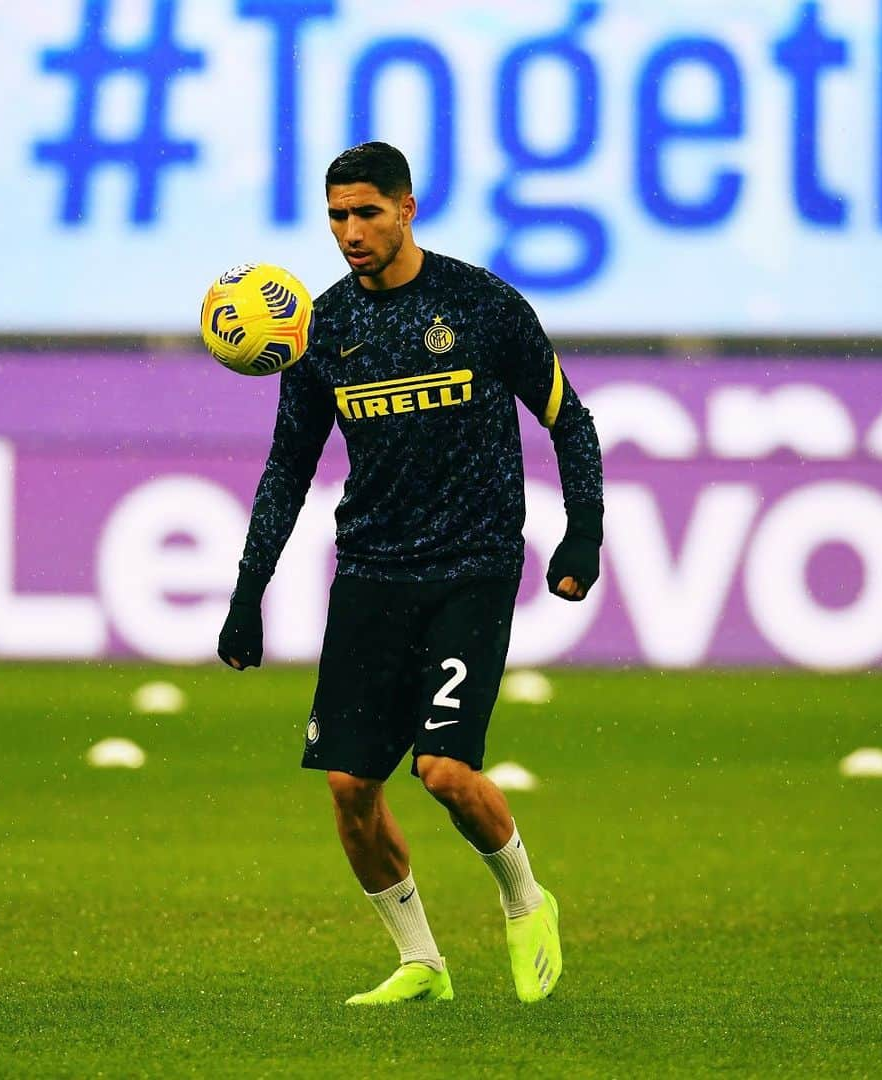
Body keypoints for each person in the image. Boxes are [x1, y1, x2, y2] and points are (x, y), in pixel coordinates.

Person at [217, 141, 603, 1005]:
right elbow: (288, 471)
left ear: (407, 208)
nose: (350, 233)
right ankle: (422, 963)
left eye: (366, 214)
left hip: (472, 566)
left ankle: (525, 901)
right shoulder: (320, 331)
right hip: (372, 572)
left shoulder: (481, 305)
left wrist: (585, 535)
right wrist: (248, 595)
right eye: (336, 217)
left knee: (444, 772)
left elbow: (567, 421)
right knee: (351, 786)